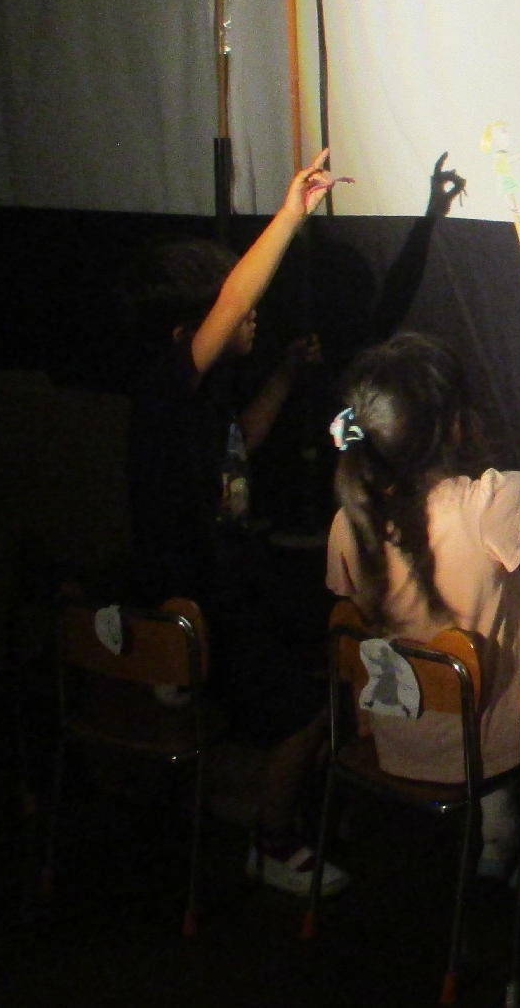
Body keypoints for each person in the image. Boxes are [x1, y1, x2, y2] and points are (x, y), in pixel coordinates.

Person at [120, 149, 348, 896]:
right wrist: (290, 214)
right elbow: (232, 302)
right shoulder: (164, 390)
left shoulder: (201, 402)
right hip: (197, 607)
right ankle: (272, 842)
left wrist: (283, 375)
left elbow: (239, 445)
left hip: (227, 590)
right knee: (308, 709)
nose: (249, 313)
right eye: (229, 307)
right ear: (187, 330)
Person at [324, 324, 520, 879]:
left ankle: (495, 833)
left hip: (392, 742)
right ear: (455, 426)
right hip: (489, 751)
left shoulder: (348, 522)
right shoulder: (485, 505)